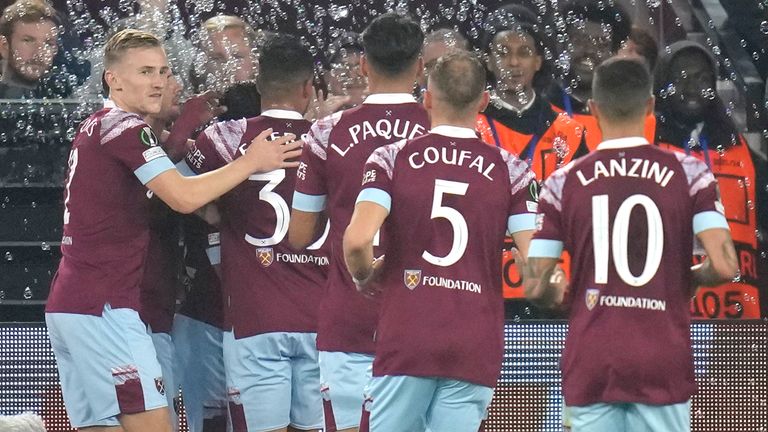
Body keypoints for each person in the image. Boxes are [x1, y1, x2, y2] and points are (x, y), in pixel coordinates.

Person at [44, 29, 300, 432]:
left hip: (71, 304)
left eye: (163, 71)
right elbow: (182, 196)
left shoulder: (94, 126)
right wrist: (251, 162)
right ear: (113, 78)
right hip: (105, 304)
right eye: (145, 72)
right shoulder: (128, 128)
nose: (159, 81)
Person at [523, 57, 739, 431]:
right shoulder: (691, 174)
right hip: (663, 357)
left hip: (591, 357)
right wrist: (684, 278)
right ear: (650, 106)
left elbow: (536, 284)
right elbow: (724, 265)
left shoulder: (562, 182)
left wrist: (563, 291)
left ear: (593, 109)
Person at [345, 50, 538, 432]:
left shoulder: (390, 158)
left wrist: (365, 275)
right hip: (475, 341)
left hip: (408, 335)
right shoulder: (513, 170)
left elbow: (356, 241)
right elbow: (536, 261)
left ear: (427, 98)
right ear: (484, 102)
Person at [288, 12, 429, 432]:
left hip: (348, 319)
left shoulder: (327, 132)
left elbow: (298, 235)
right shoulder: (444, 132)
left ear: (364, 65)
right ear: (420, 66)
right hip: (423, 321)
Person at [182, 32, 327, 432]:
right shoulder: (337, 140)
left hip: (254, 319)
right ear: (308, 89)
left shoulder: (224, 137)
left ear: (260, 85)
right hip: (322, 320)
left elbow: (174, 190)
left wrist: (215, 211)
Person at [654, 41, 768, 319]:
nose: (692, 88)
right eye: (681, 78)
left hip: (734, 308)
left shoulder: (742, 152)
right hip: (665, 307)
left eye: (703, 78)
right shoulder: (644, 146)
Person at [547, 0, 656, 151]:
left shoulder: (638, 118)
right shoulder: (539, 112)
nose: (589, 51)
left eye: (601, 43)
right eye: (579, 40)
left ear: (614, 53)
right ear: (562, 45)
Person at [0, 0, 61, 98]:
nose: (39, 53)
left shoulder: (68, 98)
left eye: (48, 43)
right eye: (28, 41)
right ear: (4, 46)